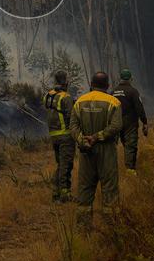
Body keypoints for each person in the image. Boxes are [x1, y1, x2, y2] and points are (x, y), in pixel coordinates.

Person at [70, 71, 122, 228]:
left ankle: (83, 229)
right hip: (106, 151)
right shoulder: (114, 102)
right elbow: (116, 126)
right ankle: (112, 230)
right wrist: (98, 136)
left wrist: (82, 140)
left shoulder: (79, 102)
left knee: (85, 190)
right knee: (110, 190)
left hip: (86, 152)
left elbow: (73, 126)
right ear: (107, 85)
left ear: (91, 84)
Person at [41, 70, 74, 202]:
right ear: (65, 81)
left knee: (60, 164)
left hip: (53, 136)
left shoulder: (47, 96)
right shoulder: (66, 97)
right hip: (65, 136)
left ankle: (56, 192)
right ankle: (65, 194)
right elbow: (72, 117)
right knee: (66, 165)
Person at [112, 69, 148, 173]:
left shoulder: (113, 92)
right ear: (131, 78)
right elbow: (139, 108)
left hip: (115, 122)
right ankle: (130, 171)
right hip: (130, 123)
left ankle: (112, 169)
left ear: (120, 78)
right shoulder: (133, 91)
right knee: (130, 146)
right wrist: (144, 122)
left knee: (112, 145)